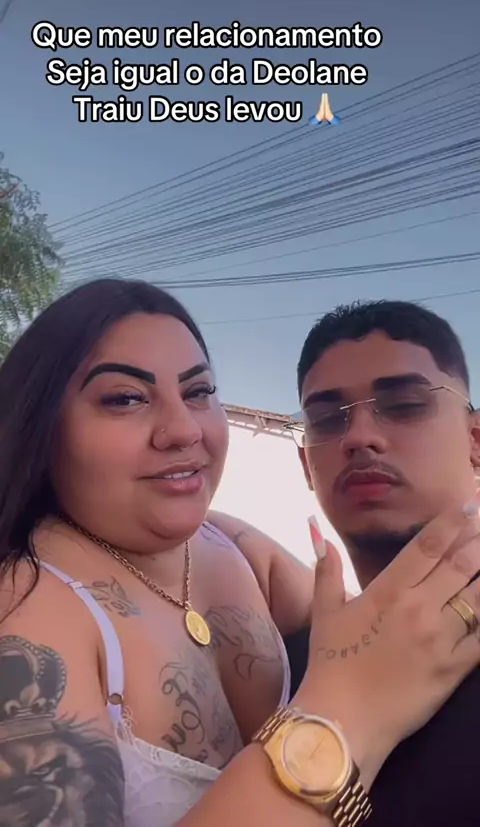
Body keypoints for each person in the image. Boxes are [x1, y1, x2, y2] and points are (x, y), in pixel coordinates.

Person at [0, 280, 480, 827]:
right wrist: (346, 714)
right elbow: (364, 674)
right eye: (126, 398)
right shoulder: (27, 606)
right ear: (41, 425)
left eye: (199, 391)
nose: (184, 430)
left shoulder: (233, 549)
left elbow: (383, 630)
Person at [278, 300, 480, 826]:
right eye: (327, 419)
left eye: (405, 405)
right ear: (306, 466)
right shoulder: (285, 673)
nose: (358, 436)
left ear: (475, 440)